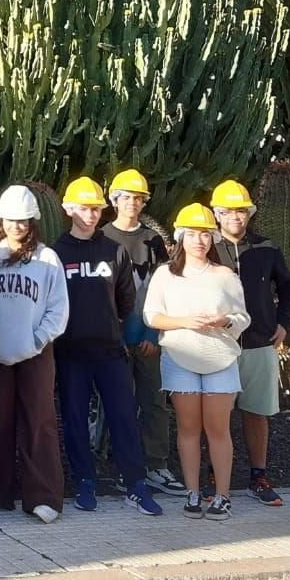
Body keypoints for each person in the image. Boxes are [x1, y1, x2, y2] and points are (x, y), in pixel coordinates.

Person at [52, 176, 163, 516]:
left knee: (124, 417)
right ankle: (85, 481)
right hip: (70, 353)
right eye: (84, 208)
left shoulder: (113, 250)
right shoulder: (56, 252)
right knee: (74, 419)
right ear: (69, 208)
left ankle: (135, 484)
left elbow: (125, 299)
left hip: (110, 351)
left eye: (96, 208)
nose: (91, 214)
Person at [144, 204, 252, 520]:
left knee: (218, 429)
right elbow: (153, 316)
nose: (199, 241)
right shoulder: (165, 274)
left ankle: (222, 496)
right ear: (181, 238)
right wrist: (185, 322)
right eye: (192, 234)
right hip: (180, 359)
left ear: (212, 238)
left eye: (205, 234)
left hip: (220, 359)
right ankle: (193, 493)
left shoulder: (225, 275)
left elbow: (242, 317)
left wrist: (223, 320)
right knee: (188, 428)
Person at [0, 185, 69, 524]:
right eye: (11, 219)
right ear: (2, 219)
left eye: (23, 220)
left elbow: (58, 308)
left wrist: (38, 340)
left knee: (39, 421)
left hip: (35, 353)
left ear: (33, 221)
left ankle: (43, 496)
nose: (17, 226)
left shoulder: (47, 259)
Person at [211, 179, 290, 507]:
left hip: (260, 341)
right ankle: (215, 475)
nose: (236, 217)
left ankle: (258, 476)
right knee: (217, 415)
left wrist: (283, 321)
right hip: (218, 344)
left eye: (242, 211)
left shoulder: (267, 248)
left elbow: (287, 286)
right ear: (217, 214)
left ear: (249, 213)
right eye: (229, 211)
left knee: (256, 412)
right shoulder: (207, 247)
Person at [102, 169, 184, 496]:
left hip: (147, 338)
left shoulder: (152, 240)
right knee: (117, 406)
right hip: (113, 341)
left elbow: (164, 288)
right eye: (127, 197)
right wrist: (114, 337)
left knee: (154, 403)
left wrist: (153, 335)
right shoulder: (103, 238)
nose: (133, 203)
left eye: (138, 198)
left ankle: (157, 465)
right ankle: (121, 467)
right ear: (115, 200)